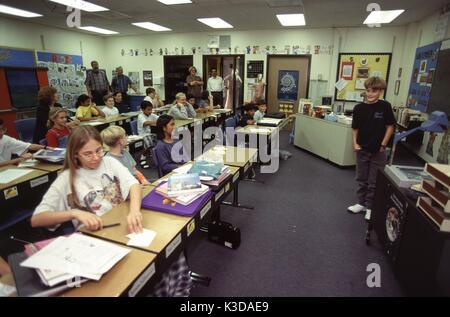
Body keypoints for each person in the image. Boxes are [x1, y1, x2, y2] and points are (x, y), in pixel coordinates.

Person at [31, 126, 143, 233]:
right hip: (96, 235)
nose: (96, 157)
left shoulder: (109, 162)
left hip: (121, 222)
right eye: (88, 154)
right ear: (75, 154)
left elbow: (133, 184)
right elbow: (36, 219)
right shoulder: (67, 178)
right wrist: (73, 213)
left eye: (99, 150)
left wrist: (134, 211)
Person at [348, 77, 395, 221]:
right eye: (368, 91)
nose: (370, 94)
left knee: (374, 181)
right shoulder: (359, 108)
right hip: (362, 149)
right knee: (362, 178)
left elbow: (390, 126)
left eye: (374, 91)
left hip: (378, 151)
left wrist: (383, 144)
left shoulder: (385, 106)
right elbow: (355, 129)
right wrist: (355, 144)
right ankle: (361, 203)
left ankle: (370, 207)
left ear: (380, 91)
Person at [138, 101, 159, 168]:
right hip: (143, 134)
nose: (150, 111)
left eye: (151, 109)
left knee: (162, 139)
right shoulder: (140, 116)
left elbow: (159, 118)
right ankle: (143, 157)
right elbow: (146, 123)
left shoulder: (151, 115)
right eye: (148, 110)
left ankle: (156, 155)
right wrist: (156, 122)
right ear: (143, 109)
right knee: (149, 144)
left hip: (152, 133)